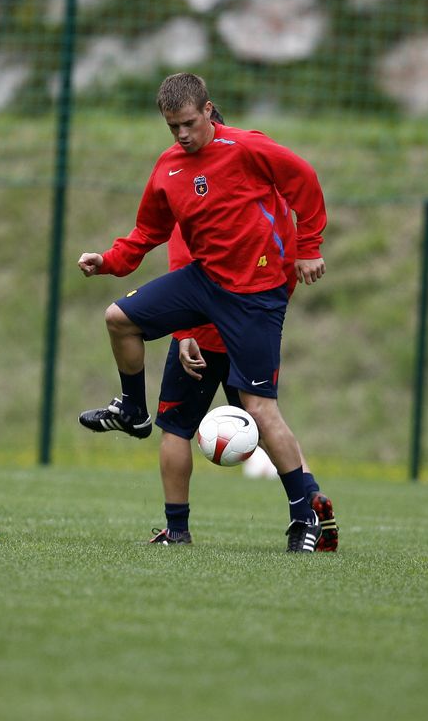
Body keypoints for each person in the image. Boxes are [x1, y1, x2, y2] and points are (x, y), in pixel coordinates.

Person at [76, 72, 329, 553]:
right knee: (118, 319)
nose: (182, 135)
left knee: (259, 408)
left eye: (189, 123)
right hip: (206, 282)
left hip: (255, 296)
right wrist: (108, 261)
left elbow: (305, 181)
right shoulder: (169, 168)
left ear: (209, 110)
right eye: (173, 127)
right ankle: (133, 411)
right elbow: (147, 233)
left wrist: (309, 247)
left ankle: (306, 518)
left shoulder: (247, 148)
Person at [146, 221, 339, 551]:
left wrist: (183, 332)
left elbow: (181, 262)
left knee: (176, 429)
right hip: (249, 333)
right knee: (267, 422)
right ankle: (311, 501)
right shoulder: (263, 209)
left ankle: (177, 529)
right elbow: (285, 267)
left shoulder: (196, 196)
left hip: (202, 337)